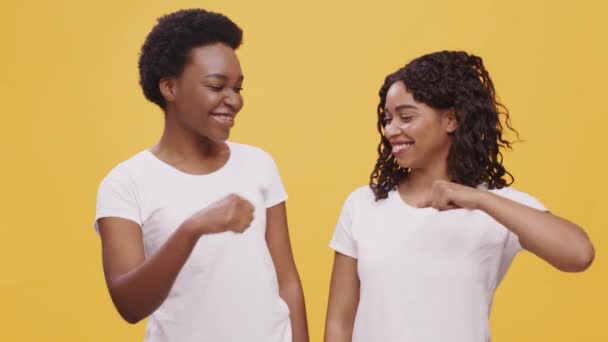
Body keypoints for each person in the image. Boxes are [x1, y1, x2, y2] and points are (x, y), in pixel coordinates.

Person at [324, 50, 594, 342]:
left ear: (450, 119)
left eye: (406, 117)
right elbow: (340, 323)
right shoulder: (363, 205)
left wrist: (478, 199)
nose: (391, 130)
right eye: (388, 119)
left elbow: (579, 254)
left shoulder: (495, 207)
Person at [94, 9, 308, 342]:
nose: (233, 100)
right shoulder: (126, 184)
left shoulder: (259, 164)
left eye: (237, 88)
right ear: (169, 87)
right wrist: (193, 228)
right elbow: (129, 305)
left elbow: (287, 281)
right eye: (216, 86)